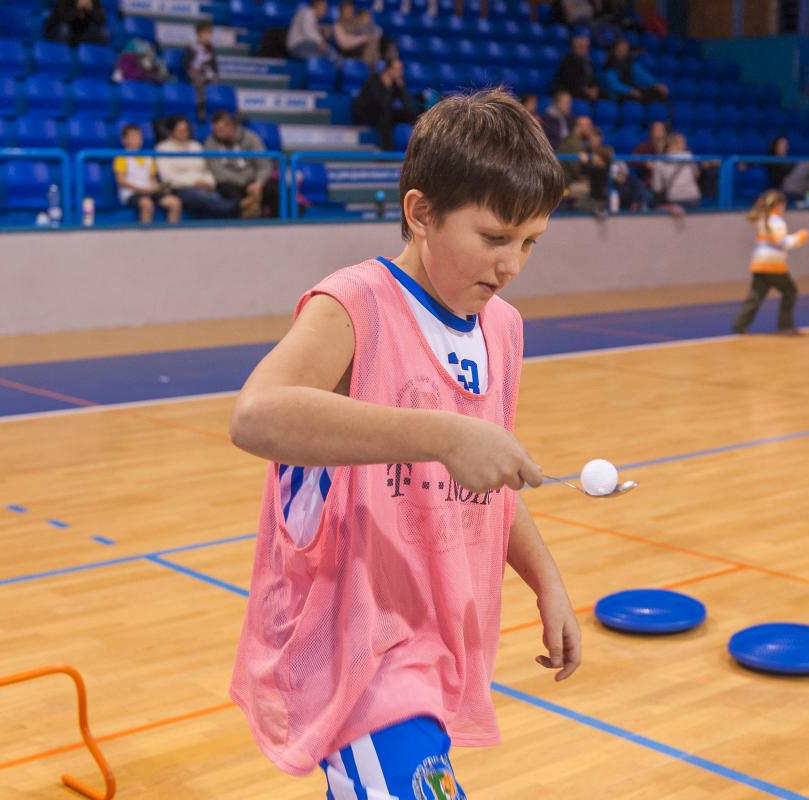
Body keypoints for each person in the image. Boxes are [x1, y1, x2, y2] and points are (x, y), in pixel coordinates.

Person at [228, 89, 581, 798]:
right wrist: (443, 435)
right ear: (421, 213)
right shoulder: (354, 304)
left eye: (530, 242)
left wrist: (546, 579)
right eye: (494, 237)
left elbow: (485, 472)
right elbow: (256, 415)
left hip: (441, 629)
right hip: (358, 643)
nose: (512, 263)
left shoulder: (503, 326)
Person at [731, 189, 809, 335]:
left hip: (759, 264)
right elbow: (782, 243)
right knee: (790, 292)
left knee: (755, 296)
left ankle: (739, 325)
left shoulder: (763, 220)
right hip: (773, 265)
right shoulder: (777, 222)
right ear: (779, 205)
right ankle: (785, 326)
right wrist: (800, 237)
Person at [156, 115, 241, 218]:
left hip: (204, 187)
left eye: (186, 130)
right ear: (171, 131)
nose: (184, 133)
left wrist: (209, 183)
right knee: (212, 202)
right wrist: (194, 183)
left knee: (220, 196)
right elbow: (168, 177)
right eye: (180, 130)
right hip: (181, 188)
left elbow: (207, 170)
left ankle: (236, 209)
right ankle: (238, 209)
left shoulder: (196, 146)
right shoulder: (162, 148)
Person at [203, 110, 273, 218]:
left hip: (253, 181)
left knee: (274, 190)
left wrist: (258, 183)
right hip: (229, 182)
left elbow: (264, 165)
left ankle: (279, 224)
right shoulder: (210, 142)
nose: (217, 133)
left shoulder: (251, 138)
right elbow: (217, 171)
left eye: (221, 130)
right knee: (229, 197)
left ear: (233, 126)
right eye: (215, 130)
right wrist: (243, 183)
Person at [113, 123, 181, 224]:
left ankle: (173, 232)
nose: (137, 139)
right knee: (146, 204)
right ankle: (146, 233)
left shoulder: (148, 156)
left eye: (139, 136)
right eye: (133, 137)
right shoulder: (122, 157)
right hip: (131, 193)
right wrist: (142, 190)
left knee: (174, 203)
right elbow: (121, 181)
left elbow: (152, 179)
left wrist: (157, 188)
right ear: (124, 140)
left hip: (149, 192)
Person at [351, 58, 420, 151]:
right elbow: (381, 103)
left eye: (401, 69)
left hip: (385, 111)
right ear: (389, 69)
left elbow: (407, 104)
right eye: (398, 69)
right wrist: (387, 88)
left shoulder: (396, 82)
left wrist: (401, 87)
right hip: (366, 113)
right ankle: (387, 149)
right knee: (385, 115)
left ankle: (417, 146)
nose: (400, 72)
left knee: (410, 114)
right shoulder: (374, 80)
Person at [601, 37, 667, 103]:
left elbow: (641, 75)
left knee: (658, 93)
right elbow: (612, 84)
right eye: (621, 48)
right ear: (614, 49)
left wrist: (655, 84)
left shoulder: (629, 61)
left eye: (625, 48)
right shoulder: (610, 64)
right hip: (617, 94)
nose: (624, 50)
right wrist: (629, 90)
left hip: (631, 89)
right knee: (635, 99)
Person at [649, 132, 700, 211]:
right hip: (694, 198)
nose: (685, 146)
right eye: (683, 143)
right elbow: (696, 175)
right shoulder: (689, 156)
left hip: (674, 200)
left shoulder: (659, 162)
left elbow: (657, 188)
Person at [186, 21, 219, 122]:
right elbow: (187, 64)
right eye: (205, 33)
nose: (208, 36)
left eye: (209, 33)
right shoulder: (191, 47)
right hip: (194, 71)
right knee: (199, 80)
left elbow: (214, 64)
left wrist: (214, 74)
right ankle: (200, 107)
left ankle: (214, 108)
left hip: (207, 72)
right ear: (198, 34)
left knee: (214, 80)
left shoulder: (211, 48)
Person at [552, 32, 599, 102]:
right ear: (575, 47)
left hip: (584, 89)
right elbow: (570, 81)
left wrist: (594, 88)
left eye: (586, 47)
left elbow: (593, 78)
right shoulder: (569, 60)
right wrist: (586, 90)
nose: (584, 49)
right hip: (570, 89)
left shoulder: (588, 61)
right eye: (581, 46)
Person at [334, 0, 382, 67]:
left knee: (376, 41)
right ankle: (367, 67)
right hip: (348, 53)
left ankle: (372, 66)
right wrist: (363, 38)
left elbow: (378, 31)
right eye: (347, 10)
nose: (349, 12)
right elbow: (344, 44)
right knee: (370, 42)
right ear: (341, 11)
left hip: (362, 50)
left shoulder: (357, 20)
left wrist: (368, 24)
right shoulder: (337, 25)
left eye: (351, 9)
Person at [44, 0, 108, 46]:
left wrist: (91, 9)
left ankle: (92, 55)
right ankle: (61, 53)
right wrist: (77, 7)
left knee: (103, 33)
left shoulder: (92, 1)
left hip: (82, 31)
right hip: (61, 29)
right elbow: (62, 17)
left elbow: (102, 20)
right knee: (64, 29)